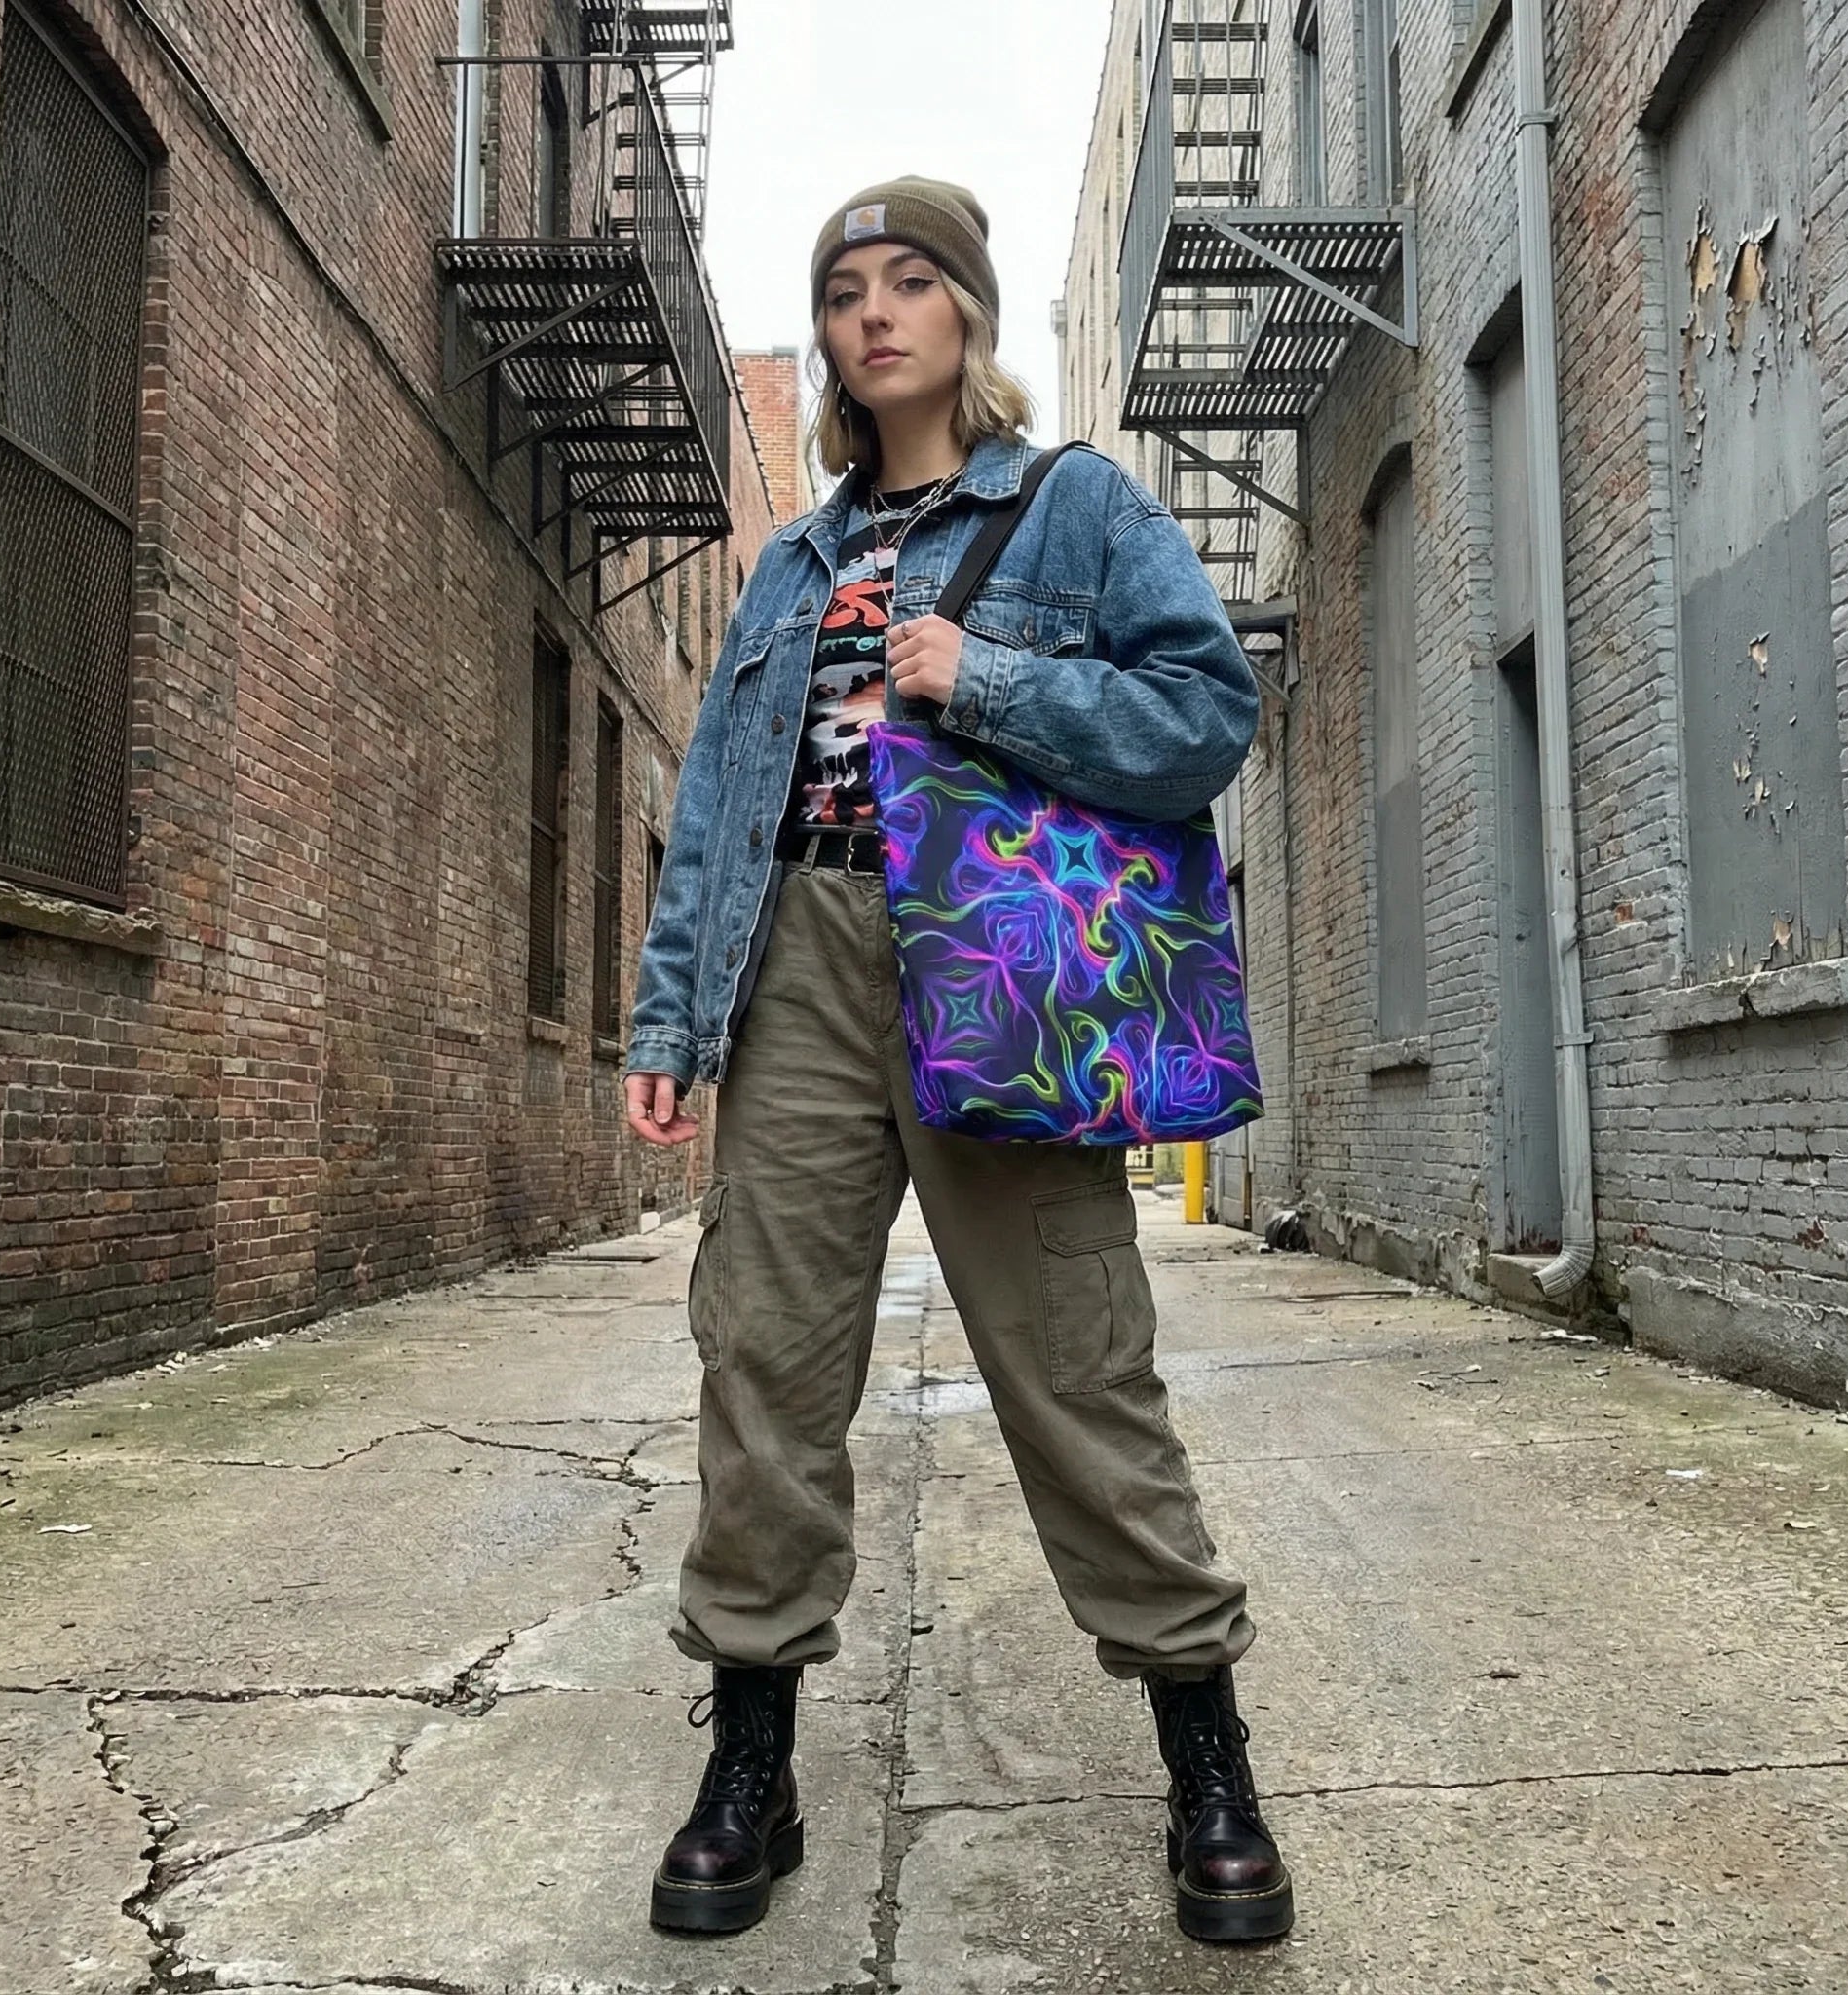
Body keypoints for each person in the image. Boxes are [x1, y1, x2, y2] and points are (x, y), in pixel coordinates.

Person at [624, 177, 1292, 1947]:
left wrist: (982, 679)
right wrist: (672, 1022)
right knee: (762, 1363)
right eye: (844, 290)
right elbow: (715, 814)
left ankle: (1204, 1750)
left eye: (911, 282)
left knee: (1077, 1360)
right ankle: (749, 1761)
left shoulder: (1072, 508)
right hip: (804, 978)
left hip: (993, 972)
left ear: (969, 315)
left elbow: (1203, 711)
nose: (873, 315)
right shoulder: (790, 561)